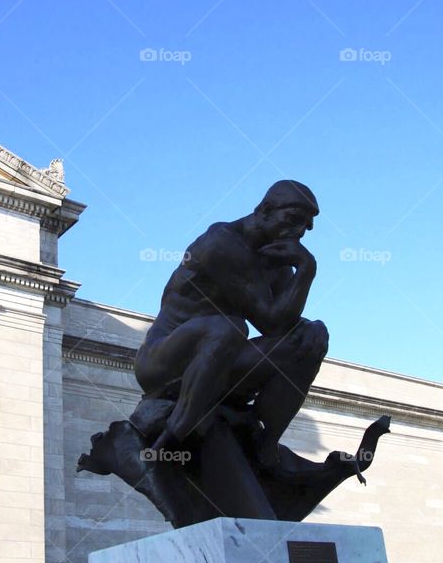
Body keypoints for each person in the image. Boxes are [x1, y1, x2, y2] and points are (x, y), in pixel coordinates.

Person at [136, 179, 327, 470]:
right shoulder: (221, 242)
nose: (299, 232)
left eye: (305, 227)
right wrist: (307, 270)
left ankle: (266, 446)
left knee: (311, 336)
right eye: (292, 220)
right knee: (230, 327)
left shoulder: (277, 262)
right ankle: (176, 434)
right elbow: (271, 321)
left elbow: (285, 327)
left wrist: (311, 325)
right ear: (264, 210)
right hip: (163, 362)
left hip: (222, 362)